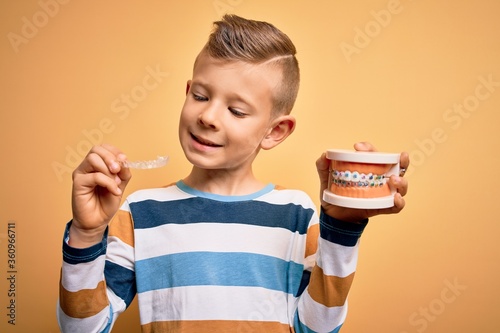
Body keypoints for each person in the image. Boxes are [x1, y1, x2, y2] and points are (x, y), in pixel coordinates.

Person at [57, 14, 409, 333]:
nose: (208, 117)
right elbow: (82, 329)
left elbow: (318, 329)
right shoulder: (140, 212)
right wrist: (87, 235)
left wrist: (342, 230)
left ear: (275, 132)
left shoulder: (296, 214)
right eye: (199, 95)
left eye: (236, 111)